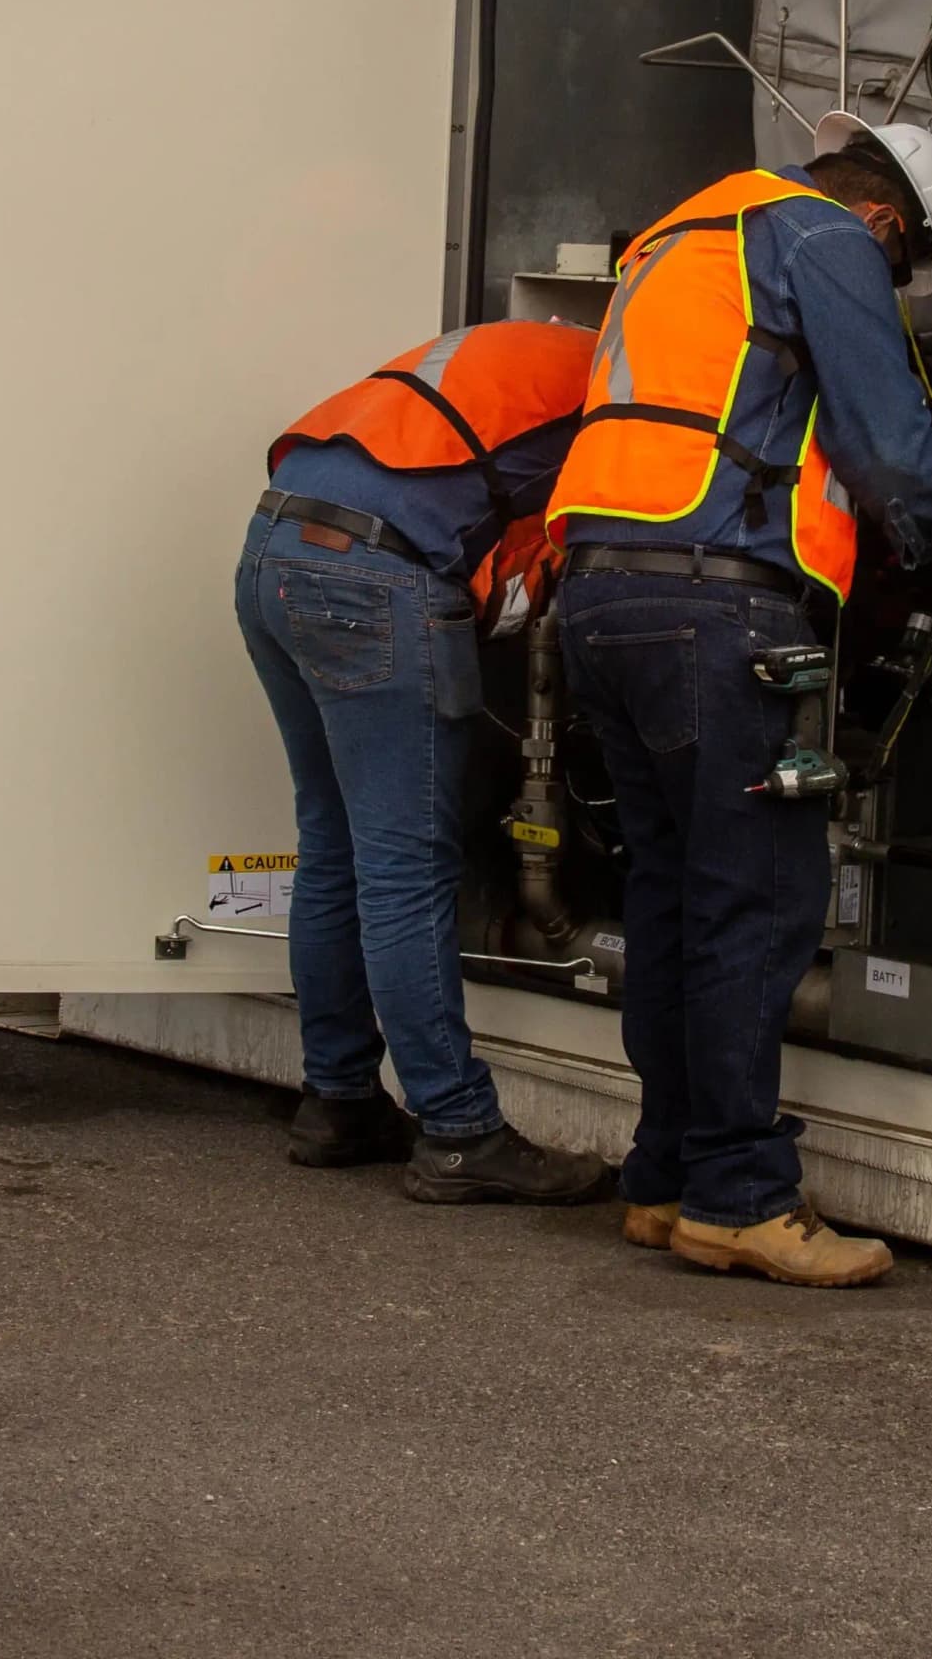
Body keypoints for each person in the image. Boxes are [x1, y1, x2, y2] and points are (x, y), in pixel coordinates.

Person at [546, 112, 932, 1286]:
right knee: (759, 901)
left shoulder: (681, 235)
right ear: (884, 219)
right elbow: (885, 444)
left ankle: (667, 1177)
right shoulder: (826, 238)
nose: (885, 280)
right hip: (717, 606)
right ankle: (739, 1194)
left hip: (602, 594)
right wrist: (931, 546)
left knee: (671, 895)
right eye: (899, 268)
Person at [243, 322, 615, 1204]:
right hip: (371, 576)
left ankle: (338, 1102)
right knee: (406, 867)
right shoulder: (618, 394)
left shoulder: (529, 348)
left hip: (274, 549)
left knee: (334, 847)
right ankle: (457, 1129)